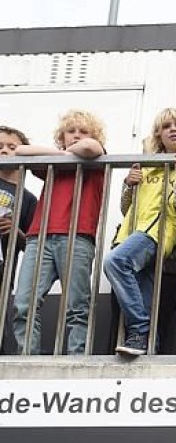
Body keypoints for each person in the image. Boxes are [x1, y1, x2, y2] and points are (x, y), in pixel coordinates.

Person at [104, 108, 176, 357]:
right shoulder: (148, 166)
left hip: (156, 234)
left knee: (114, 263)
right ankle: (149, 347)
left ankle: (139, 328)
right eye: (166, 125)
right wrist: (128, 185)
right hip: (130, 234)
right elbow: (127, 208)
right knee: (146, 294)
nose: (172, 129)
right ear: (158, 134)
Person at [12, 110, 106, 354]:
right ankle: (28, 358)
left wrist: (65, 152)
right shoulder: (54, 162)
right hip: (39, 238)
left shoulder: (97, 158)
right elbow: (20, 151)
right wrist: (62, 154)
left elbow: (90, 149)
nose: (77, 136)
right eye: (70, 131)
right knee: (24, 303)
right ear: (61, 136)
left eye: (83, 130)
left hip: (78, 236)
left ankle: (76, 357)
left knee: (76, 305)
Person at [105, 191, 176, 355]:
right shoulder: (144, 181)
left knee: (157, 323)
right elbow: (129, 215)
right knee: (120, 324)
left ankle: (149, 366)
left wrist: (163, 229)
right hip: (133, 268)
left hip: (168, 269)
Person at [0, 126, 38, 354]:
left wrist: (15, 231)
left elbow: (31, 244)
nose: (5, 151)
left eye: (12, 147)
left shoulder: (29, 198)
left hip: (4, 271)